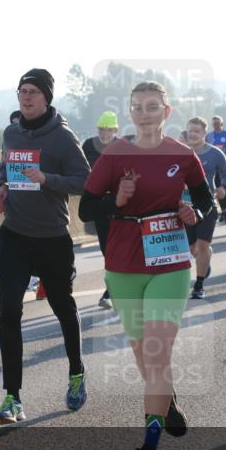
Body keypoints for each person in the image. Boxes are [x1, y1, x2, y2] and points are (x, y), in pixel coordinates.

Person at [79, 81, 211, 450]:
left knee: (155, 355)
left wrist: (194, 215)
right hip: (123, 264)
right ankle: (165, 403)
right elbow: (86, 207)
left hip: (170, 262)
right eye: (137, 107)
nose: (144, 113)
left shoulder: (183, 155)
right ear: (130, 112)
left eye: (152, 107)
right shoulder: (115, 153)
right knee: (143, 357)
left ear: (166, 112)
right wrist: (115, 201)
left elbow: (206, 201)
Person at [0, 68, 91, 425]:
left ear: (47, 97)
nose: (26, 97)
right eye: (22, 91)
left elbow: (85, 181)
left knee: (63, 306)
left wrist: (48, 179)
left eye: (33, 91)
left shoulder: (62, 137)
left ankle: (76, 371)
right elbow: (5, 170)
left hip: (52, 237)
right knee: (8, 311)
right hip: (15, 235)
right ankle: (12, 397)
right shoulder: (11, 132)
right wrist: (1, 189)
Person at [183, 116, 226, 299]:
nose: (193, 134)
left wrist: (223, 188)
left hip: (207, 206)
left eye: (197, 131)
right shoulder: (179, 153)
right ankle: (206, 256)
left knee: (202, 245)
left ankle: (199, 286)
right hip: (186, 207)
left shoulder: (215, 154)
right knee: (193, 249)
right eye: (190, 131)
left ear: (204, 134)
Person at [82, 110, 121, 308]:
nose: (104, 133)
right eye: (101, 129)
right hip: (98, 204)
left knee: (118, 249)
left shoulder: (122, 147)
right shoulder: (88, 145)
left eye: (108, 130)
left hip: (119, 204)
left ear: (115, 130)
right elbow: (80, 168)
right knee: (107, 250)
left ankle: (109, 292)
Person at [205, 115, 226, 223]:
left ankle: (224, 211)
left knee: (223, 186)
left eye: (217, 123)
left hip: (224, 164)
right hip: (212, 165)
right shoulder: (208, 136)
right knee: (216, 187)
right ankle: (222, 211)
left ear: (222, 124)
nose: (216, 125)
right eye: (214, 123)